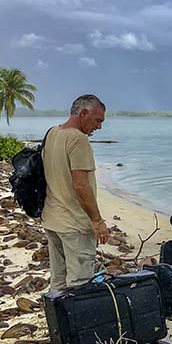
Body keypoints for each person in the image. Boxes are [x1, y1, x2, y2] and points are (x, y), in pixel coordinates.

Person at [41, 94, 108, 291]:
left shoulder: (53, 132)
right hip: (74, 224)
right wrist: (97, 221)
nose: (99, 127)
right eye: (97, 120)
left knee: (58, 281)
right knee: (79, 284)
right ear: (84, 113)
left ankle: (58, 321)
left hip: (52, 218)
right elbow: (81, 185)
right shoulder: (78, 140)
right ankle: (77, 322)